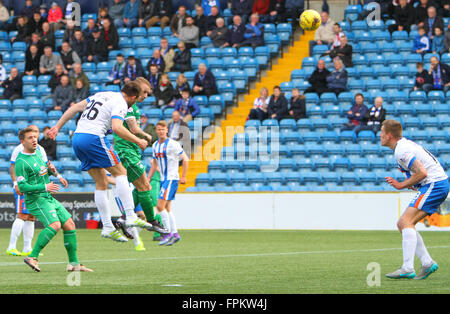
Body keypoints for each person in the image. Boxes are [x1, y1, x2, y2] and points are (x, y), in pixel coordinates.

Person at [48, 81, 156, 242]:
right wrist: (138, 141)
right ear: (132, 97)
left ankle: (107, 226)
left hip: (77, 139)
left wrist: (57, 126)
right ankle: (131, 215)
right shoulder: (122, 103)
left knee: (101, 182)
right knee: (121, 173)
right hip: (94, 138)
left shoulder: (102, 94)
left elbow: (74, 108)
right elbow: (117, 127)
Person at [16, 127, 92, 273]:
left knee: (69, 224)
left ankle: (73, 264)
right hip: (36, 199)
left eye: (35, 137)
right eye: (30, 138)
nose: (34, 140)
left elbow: (46, 168)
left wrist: (58, 176)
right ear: (22, 141)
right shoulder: (21, 162)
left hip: (46, 196)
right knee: (55, 224)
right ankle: (32, 257)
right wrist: (45, 186)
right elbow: (23, 186)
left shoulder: (38, 152)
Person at [381, 119, 448, 280]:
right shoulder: (403, 146)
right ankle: (427, 263)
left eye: (382, 132)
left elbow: (422, 172)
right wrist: (415, 184)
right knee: (404, 223)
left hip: (434, 184)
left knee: (405, 222)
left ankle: (407, 267)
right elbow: (421, 172)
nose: (380, 135)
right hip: (435, 184)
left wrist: (401, 185)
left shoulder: (401, 150)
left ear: (389, 136)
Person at [112, 77, 168, 246]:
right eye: (143, 92)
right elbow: (133, 128)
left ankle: (123, 218)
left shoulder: (133, 107)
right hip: (127, 151)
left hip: (131, 151)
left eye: (147, 93)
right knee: (145, 186)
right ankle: (152, 221)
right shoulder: (127, 106)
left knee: (140, 187)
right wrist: (144, 136)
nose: (145, 95)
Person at [6, 125, 49, 257]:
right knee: (22, 215)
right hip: (24, 186)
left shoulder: (40, 149)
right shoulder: (19, 149)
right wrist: (16, 183)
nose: (34, 136)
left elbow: (44, 167)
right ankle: (11, 246)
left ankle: (27, 248)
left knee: (31, 217)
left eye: (36, 133)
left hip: (36, 188)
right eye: (32, 133)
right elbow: (13, 167)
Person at [148, 120, 189, 246]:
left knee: (160, 206)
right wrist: (149, 177)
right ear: (156, 130)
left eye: (163, 129)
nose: (161, 131)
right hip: (163, 179)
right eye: (159, 129)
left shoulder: (173, 144)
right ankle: (175, 234)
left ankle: (167, 234)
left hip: (171, 178)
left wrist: (183, 176)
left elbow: (185, 159)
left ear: (167, 130)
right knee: (166, 208)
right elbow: (154, 162)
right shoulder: (155, 145)